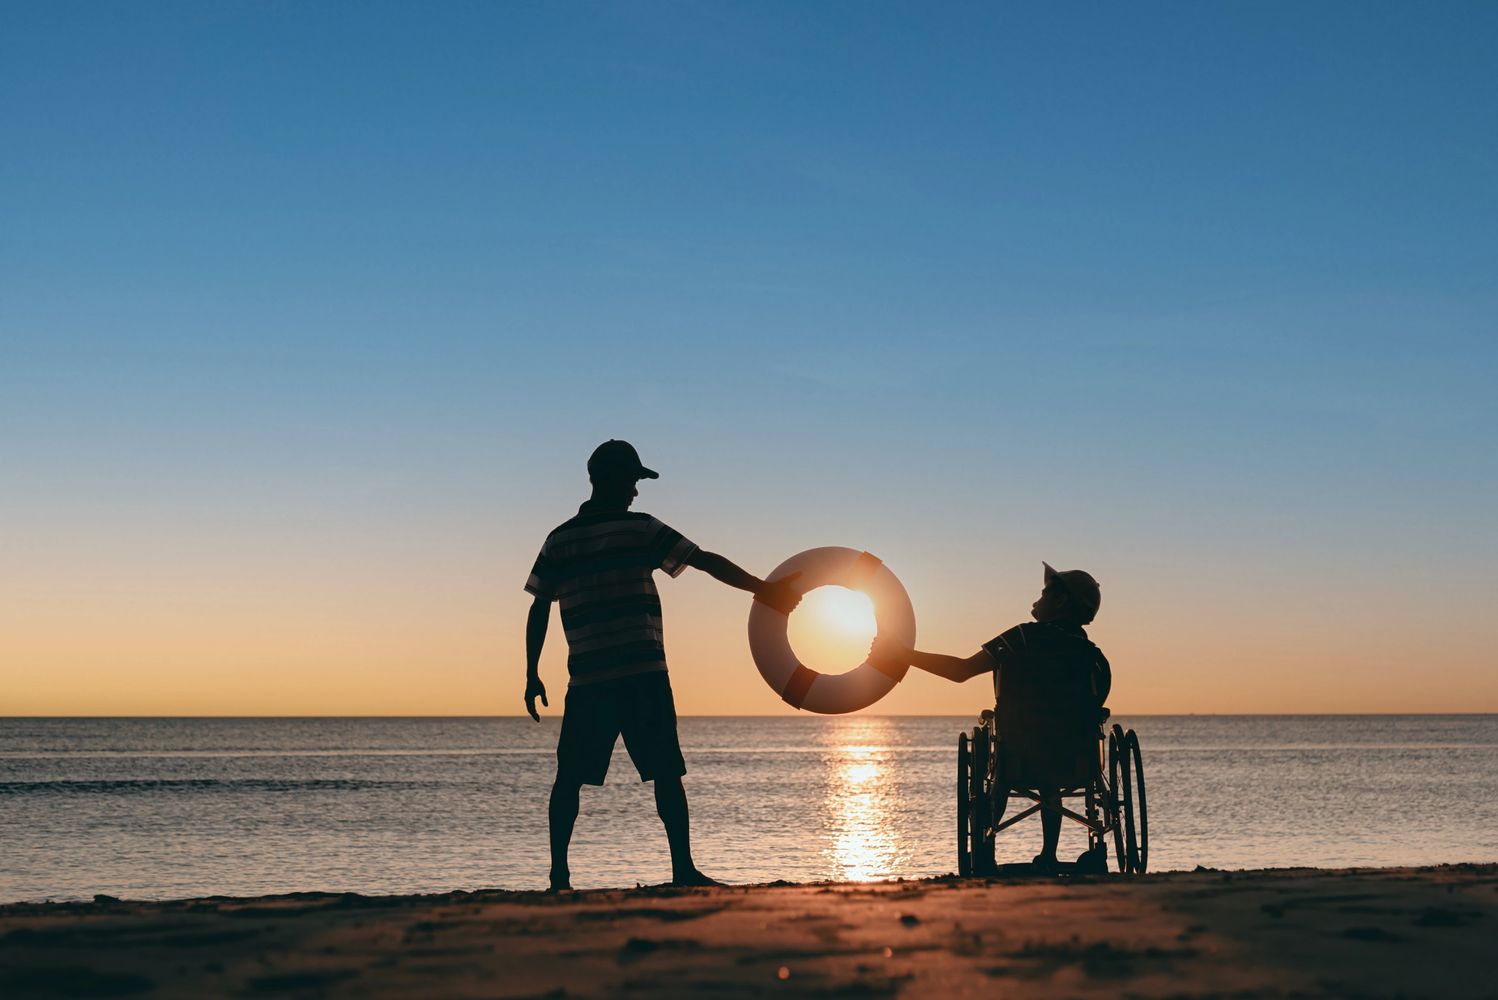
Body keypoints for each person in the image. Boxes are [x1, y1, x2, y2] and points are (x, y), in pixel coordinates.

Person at [524, 439, 802, 891]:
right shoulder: (639, 529)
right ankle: (682, 869)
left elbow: (539, 605)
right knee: (666, 773)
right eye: (634, 481)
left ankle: (559, 876)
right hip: (641, 674)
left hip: (589, 679)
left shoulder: (559, 539)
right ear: (616, 482)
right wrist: (762, 589)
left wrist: (531, 671)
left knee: (570, 778)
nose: (637, 492)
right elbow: (704, 560)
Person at [871, 563, 1110, 873]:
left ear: (1061, 601)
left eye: (1045, 592)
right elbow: (1097, 704)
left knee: (1003, 771)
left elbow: (961, 671)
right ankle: (1049, 856)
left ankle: (985, 846)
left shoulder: (1021, 638)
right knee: (1050, 776)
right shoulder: (1092, 655)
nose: (1038, 597)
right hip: (1075, 759)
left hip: (1018, 755)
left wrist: (903, 654)